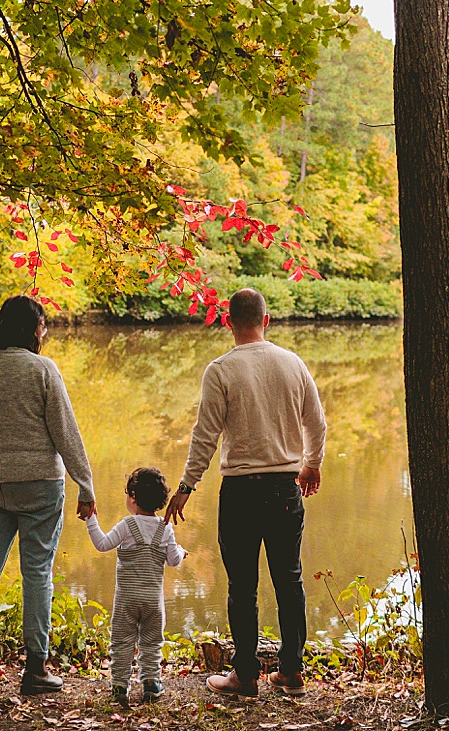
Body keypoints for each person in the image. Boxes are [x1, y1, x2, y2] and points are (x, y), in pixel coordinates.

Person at [165, 288, 326, 699]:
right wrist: (312, 464)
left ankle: (246, 676)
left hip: (240, 491)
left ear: (228, 322)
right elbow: (317, 423)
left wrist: (186, 486)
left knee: (242, 586)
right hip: (286, 488)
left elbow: (205, 436)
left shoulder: (221, 369)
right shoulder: (292, 363)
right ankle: (291, 671)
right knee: (289, 581)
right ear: (266, 319)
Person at [0, 295, 97, 695]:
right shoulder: (43, 370)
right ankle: (35, 668)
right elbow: (66, 431)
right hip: (40, 487)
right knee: (37, 573)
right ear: (33, 329)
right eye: (43, 325)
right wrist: (86, 484)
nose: (44, 332)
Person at [85, 467, 188, 706]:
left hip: (126, 601)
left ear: (132, 496)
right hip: (153, 602)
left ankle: (120, 686)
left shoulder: (127, 525)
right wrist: (182, 552)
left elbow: (102, 544)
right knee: (151, 643)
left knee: (122, 643)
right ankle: (151, 683)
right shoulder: (165, 528)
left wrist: (91, 517)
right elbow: (173, 560)